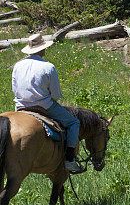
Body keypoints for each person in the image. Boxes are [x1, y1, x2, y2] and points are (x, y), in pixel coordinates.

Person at [12, 33, 82, 172]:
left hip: (20, 106)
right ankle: (69, 159)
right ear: (42, 49)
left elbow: (15, 88)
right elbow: (55, 95)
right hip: (44, 106)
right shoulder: (48, 67)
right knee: (74, 123)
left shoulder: (17, 65)